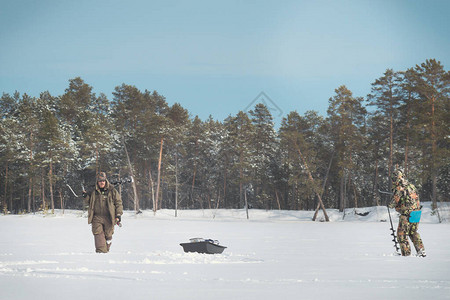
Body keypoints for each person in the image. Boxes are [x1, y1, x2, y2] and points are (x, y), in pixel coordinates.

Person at [389, 169, 426, 257]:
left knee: (402, 235)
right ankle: (421, 251)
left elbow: (393, 202)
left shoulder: (400, 188)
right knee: (413, 232)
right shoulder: (412, 186)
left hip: (407, 215)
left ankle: (406, 255)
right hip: (416, 213)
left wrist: (389, 204)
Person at [83, 172, 123, 253]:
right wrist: (85, 196)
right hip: (96, 217)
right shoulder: (93, 191)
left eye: (103, 181)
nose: (102, 182)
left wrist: (118, 215)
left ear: (106, 181)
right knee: (98, 234)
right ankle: (101, 253)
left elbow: (118, 203)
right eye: (100, 181)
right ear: (97, 181)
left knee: (108, 235)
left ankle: (106, 249)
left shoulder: (112, 191)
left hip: (109, 217)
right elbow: (87, 203)